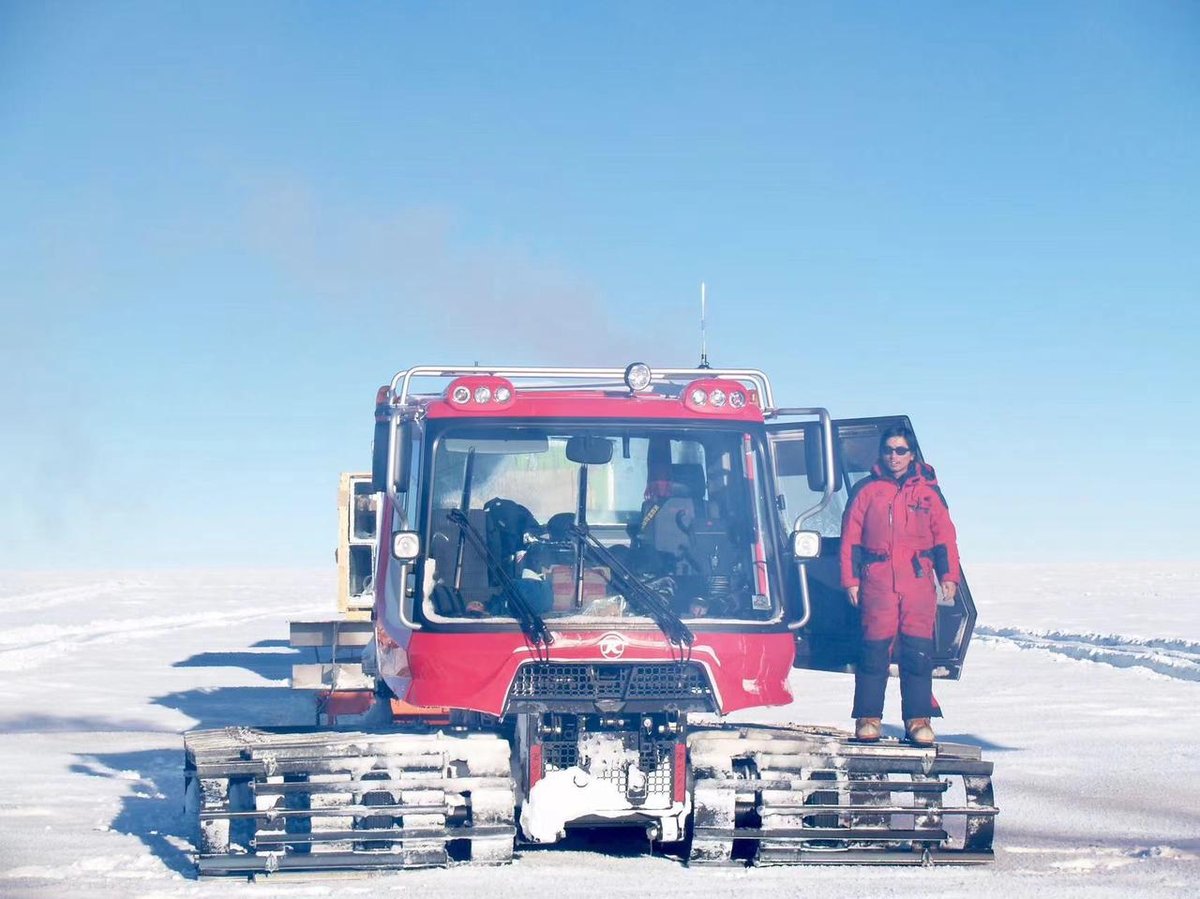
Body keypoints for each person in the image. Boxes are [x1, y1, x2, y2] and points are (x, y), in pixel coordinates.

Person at [839, 425, 960, 747]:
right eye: (889, 450)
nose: (894, 456)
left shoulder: (929, 492)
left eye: (901, 450)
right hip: (877, 580)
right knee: (874, 652)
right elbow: (851, 538)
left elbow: (945, 537)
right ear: (882, 453)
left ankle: (918, 720)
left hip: (917, 580)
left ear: (912, 453)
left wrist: (949, 577)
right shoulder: (867, 490)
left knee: (917, 653)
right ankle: (868, 718)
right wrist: (850, 580)